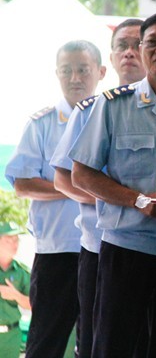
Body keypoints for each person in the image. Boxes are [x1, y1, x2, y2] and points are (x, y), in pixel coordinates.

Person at [69, 11, 156, 358]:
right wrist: (140, 200)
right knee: (115, 346)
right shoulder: (114, 106)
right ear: (141, 51)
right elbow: (81, 174)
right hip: (127, 250)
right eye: (151, 43)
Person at [50, 18, 146, 358]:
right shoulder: (91, 109)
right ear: (112, 57)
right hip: (99, 246)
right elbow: (64, 177)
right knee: (97, 344)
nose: (130, 53)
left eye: (138, 44)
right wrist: (117, 202)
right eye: (122, 45)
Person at [5, 39, 106, 358]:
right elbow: (21, 183)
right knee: (46, 338)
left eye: (83, 70)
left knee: (97, 339)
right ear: (57, 74)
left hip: (106, 246)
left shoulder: (112, 116)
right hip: (57, 248)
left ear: (101, 72)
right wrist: (74, 187)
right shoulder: (42, 122)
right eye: (67, 70)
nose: (75, 77)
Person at [0, 222, 30, 358]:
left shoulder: (22, 272)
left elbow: (33, 304)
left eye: (16, 239)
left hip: (12, 336)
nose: (15, 244)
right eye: (9, 240)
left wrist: (16, 295)